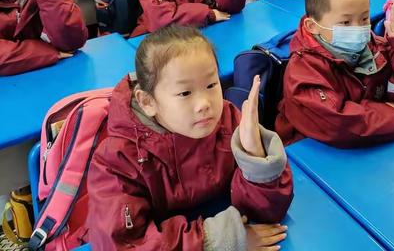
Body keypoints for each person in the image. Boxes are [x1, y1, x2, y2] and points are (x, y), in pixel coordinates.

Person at [87, 26, 293, 249]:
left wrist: (255, 157)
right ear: (148, 102)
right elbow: (122, 243)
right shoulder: (117, 161)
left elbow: (268, 213)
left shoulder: (229, 120)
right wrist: (217, 241)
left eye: (212, 85)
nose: (204, 104)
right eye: (185, 93)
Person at [276, 0, 394, 148]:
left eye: (364, 19)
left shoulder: (375, 47)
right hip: (309, 150)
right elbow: (335, 123)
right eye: (345, 23)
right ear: (312, 26)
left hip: (370, 141)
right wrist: (389, 114)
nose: (359, 29)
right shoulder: (303, 71)